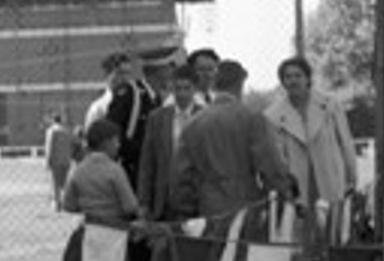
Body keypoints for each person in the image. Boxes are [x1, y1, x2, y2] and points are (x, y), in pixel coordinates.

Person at [171, 59, 290, 238]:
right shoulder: (251, 118)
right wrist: (281, 197)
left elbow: (180, 178)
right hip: (246, 205)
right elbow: (270, 166)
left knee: (213, 260)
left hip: (208, 207)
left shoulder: (193, 124)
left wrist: (189, 209)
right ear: (240, 84)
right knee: (242, 260)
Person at [264, 55, 357, 221]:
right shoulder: (272, 116)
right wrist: (284, 189)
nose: (293, 81)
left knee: (332, 236)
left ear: (308, 78)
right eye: (288, 77)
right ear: (282, 82)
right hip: (298, 188)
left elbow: (345, 143)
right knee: (301, 238)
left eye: (298, 75)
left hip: (331, 180)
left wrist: (352, 177)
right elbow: (277, 157)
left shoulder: (330, 104)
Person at [137, 64, 202, 222]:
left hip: (195, 203)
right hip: (163, 203)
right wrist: (143, 202)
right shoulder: (157, 118)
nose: (182, 94)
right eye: (177, 88)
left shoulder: (205, 117)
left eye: (187, 88)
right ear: (172, 88)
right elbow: (147, 164)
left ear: (195, 89)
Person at [85, 51, 156, 189]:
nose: (124, 78)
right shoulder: (99, 108)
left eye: (127, 73)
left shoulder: (136, 99)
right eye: (119, 73)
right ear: (107, 75)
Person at [62, 119, 140, 228]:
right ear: (106, 143)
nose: (118, 145)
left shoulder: (79, 170)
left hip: (89, 228)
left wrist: (88, 206)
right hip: (113, 229)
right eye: (116, 141)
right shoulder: (115, 170)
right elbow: (130, 206)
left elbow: (68, 205)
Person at [44, 114, 76, 211]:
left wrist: (47, 161)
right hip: (66, 160)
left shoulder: (51, 131)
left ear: (53, 120)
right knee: (64, 183)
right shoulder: (67, 131)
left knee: (55, 183)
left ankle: (57, 205)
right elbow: (72, 145)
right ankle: (66, 203)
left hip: (55, 161)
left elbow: (49, 146)